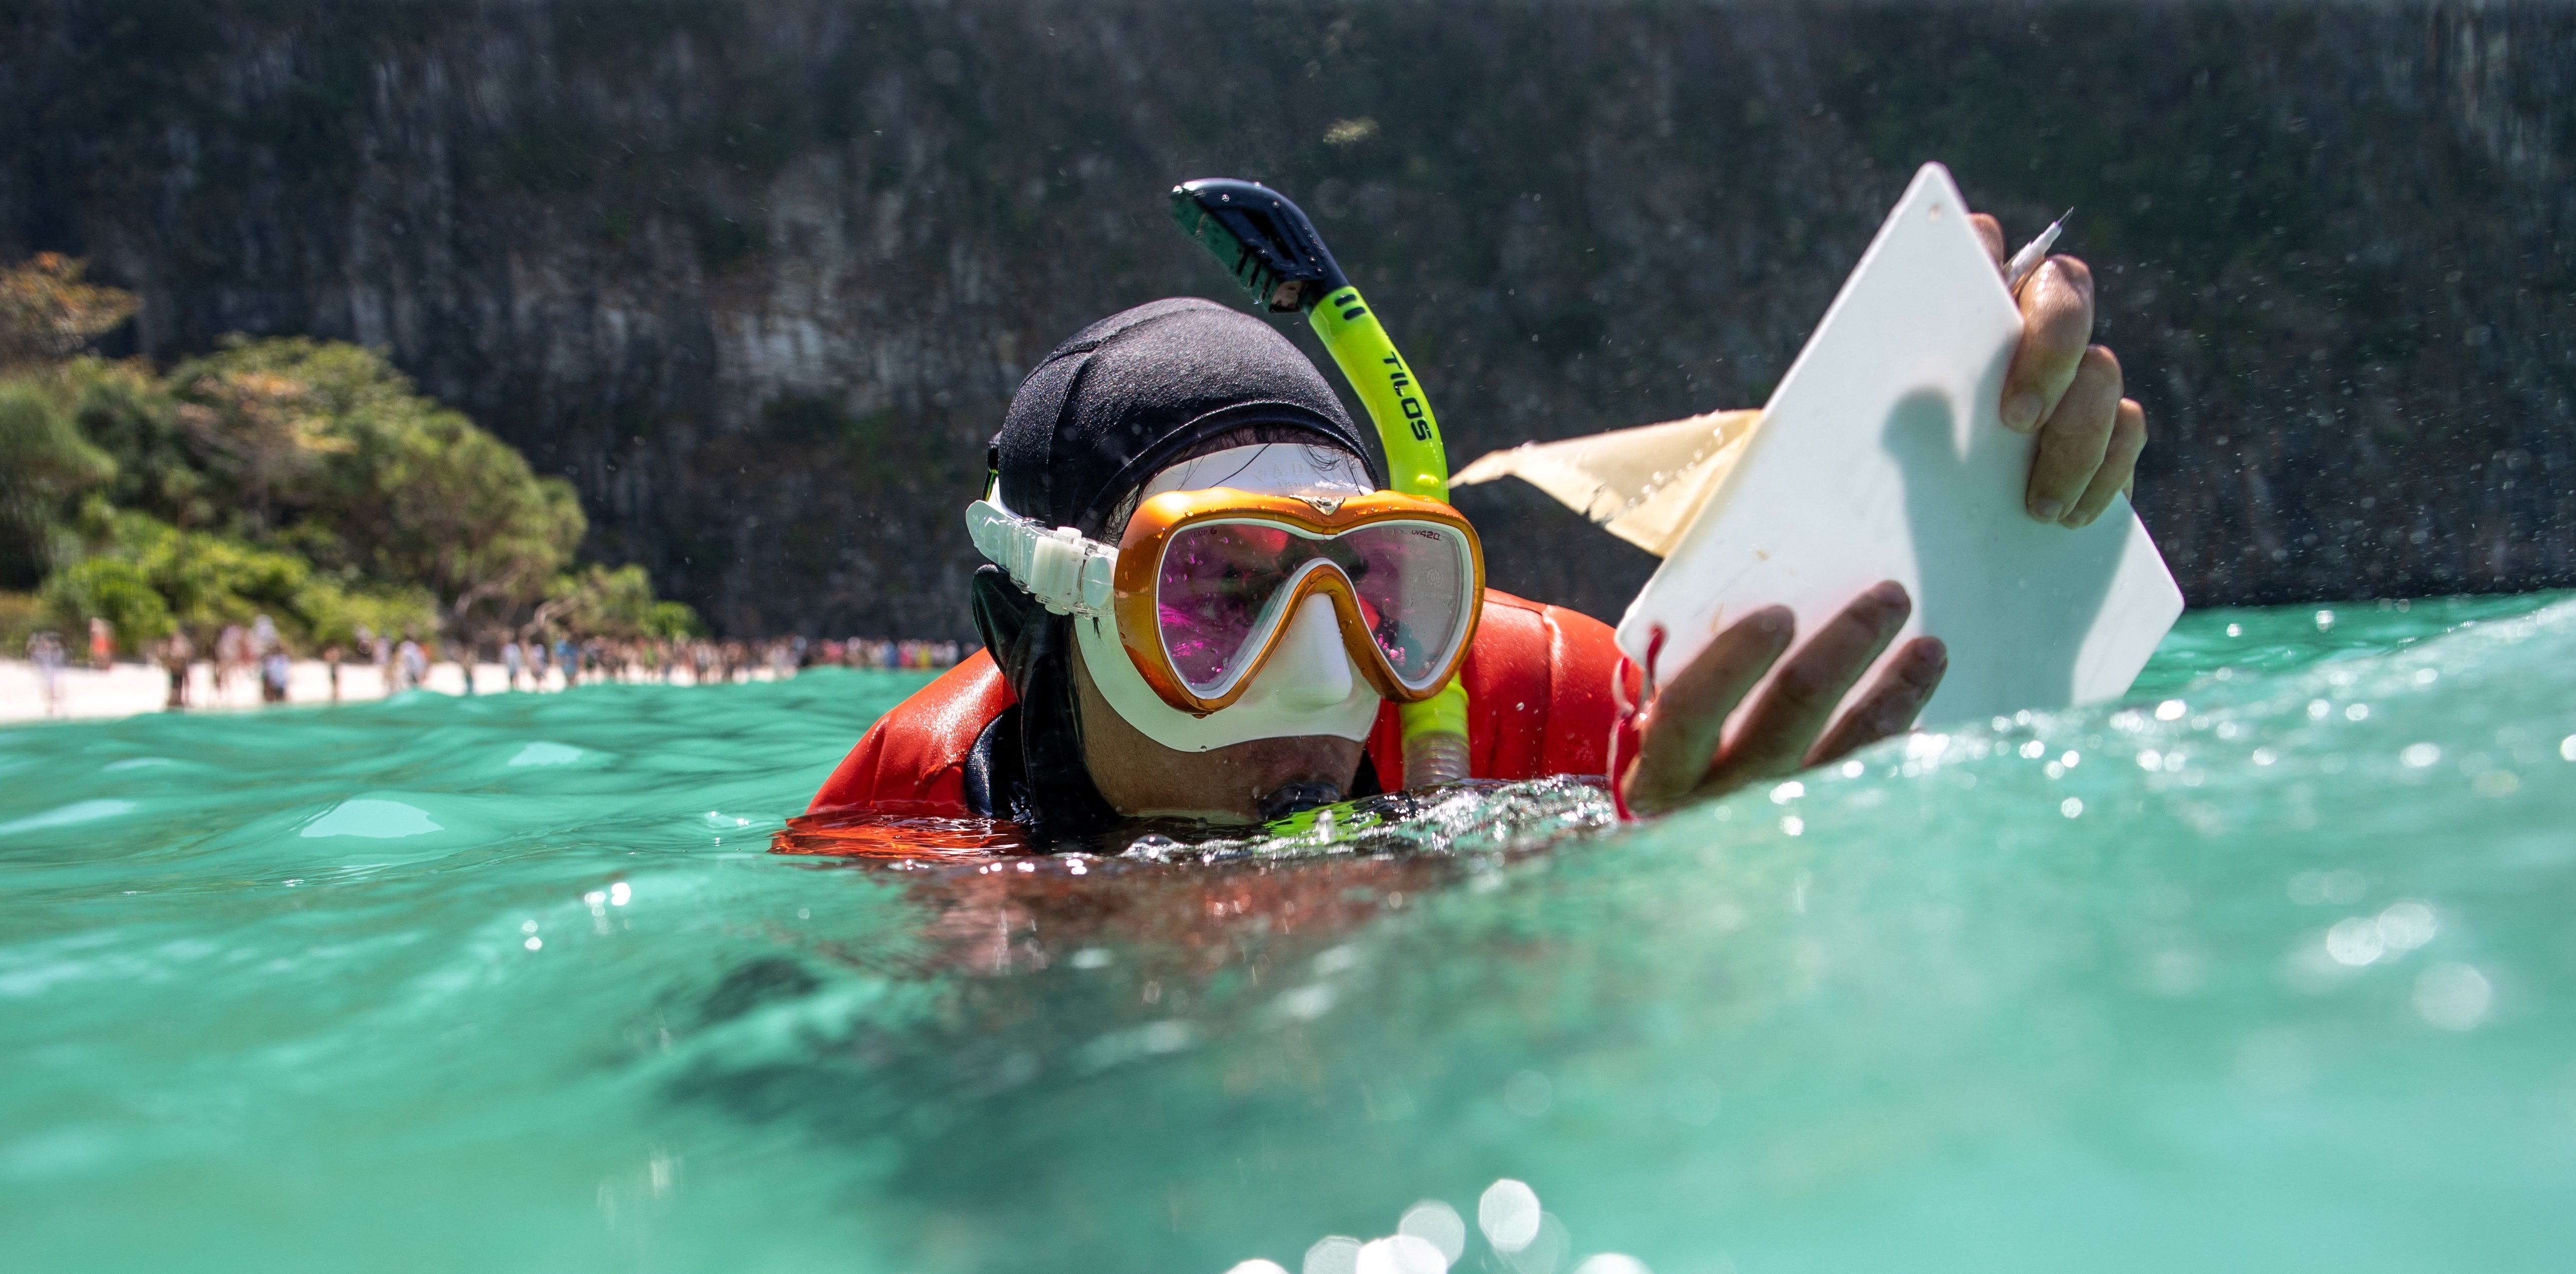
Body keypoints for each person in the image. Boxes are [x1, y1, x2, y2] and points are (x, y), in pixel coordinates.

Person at [805, 219, 2139, 847]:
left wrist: (1988, 515)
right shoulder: (909, 833)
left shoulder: (1548, 714)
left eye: (1371, 580)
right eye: (1215, 590)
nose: (1330, 678)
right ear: (1031, 629)